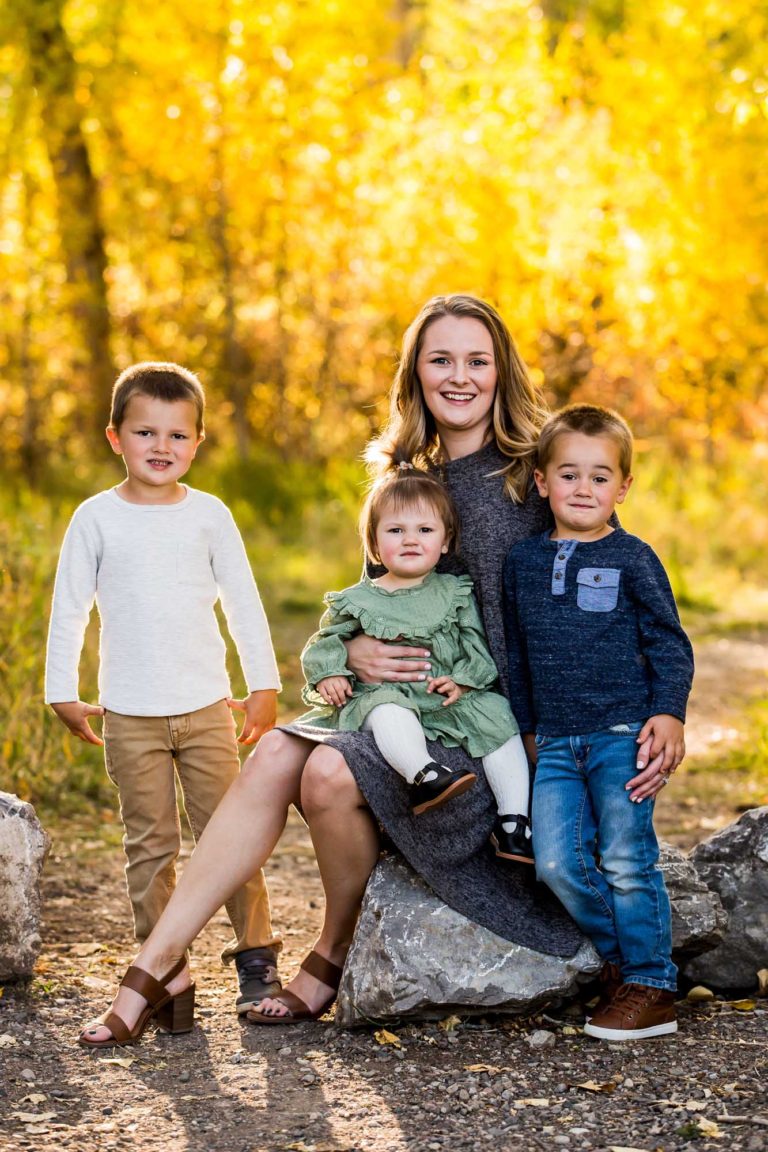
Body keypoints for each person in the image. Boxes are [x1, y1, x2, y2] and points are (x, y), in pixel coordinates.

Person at [77, 297, 669, 1046]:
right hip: (402, 710)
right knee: (277, 755)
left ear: (501, 371)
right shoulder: (403, 474)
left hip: (492, 734)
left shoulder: (535, 475)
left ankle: (330, 952)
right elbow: (370, 598)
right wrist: (352, 655)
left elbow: (607, 594)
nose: (459, 377)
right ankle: (156, 965)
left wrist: (638, 712)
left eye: (477, 360)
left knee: (326, 774)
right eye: (440, 360)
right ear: (415, 373)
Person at [46, 361, 284, 1018]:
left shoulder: (210, 516)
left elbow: (241, 602)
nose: (161, 447)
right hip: (130, 716)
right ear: (115, 437)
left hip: (207, 709)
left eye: (177, 435)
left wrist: (261, 684)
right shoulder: (95, 519)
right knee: (148, 844)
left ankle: (258, 958)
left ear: (198, 442)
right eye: (145, 432)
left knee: (226, 834)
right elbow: (71, 610)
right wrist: (60, 688)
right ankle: (165, 974)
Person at [503, 403, 694, 1041]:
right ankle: (632, 965)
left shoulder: (634, 556)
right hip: (554, 744)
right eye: (569, 475)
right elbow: (519, 657)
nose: (583, 489)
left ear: (623, 487)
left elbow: (669, 642)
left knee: (625, 859)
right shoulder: (522, 563)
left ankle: (651, 984)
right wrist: (528, 731)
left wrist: (668, 712)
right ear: (541, 482)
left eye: (600, 476)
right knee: (556, 862)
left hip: (621, 737)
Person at [299, 451, 533, 861]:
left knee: (497, 716)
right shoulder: (357, 601)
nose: (411, 539)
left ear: (444, 542)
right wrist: (330, 673)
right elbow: (324, 643)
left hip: (445, 698)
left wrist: (462, 679)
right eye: (395, 530)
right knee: (387, 707)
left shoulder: (454, 592)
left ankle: (515, 822)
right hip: (391, 695)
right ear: (373, 544)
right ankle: (423, 775)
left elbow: (475, 644)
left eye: (424, 529)